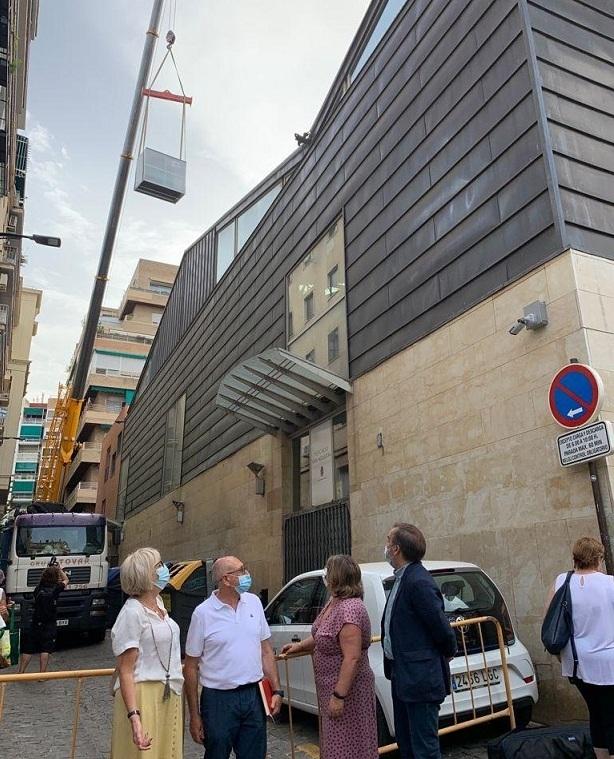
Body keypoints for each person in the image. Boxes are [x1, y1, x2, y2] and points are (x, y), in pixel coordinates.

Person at [184, 556, 283, 759]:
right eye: (241, 571)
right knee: (217, 754)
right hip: (218, 700)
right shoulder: (202, 614)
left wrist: (277, 689)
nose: (247, 575)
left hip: (253, 696)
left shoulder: (254, 603)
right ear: (226, 580)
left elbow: (265, 650)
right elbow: (191, 666)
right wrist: (194, 715)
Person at [282, 554, 378, 759]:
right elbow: (322, 634)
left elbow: (351, 658)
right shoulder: (334, 602)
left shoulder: (350, 609)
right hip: (329, 691)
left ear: (336, 577)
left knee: (348, 747)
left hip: (347, 693)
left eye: (328, 570)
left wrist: (338, 696)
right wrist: (299, 646)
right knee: (335, 745)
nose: (325, 574)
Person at [382, 523, 457, 759]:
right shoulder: (402, 578)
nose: (384, 547)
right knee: (406, 743)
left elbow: (441, 628)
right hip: (403, 675)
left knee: (424, 748)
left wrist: (446, 651)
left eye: (387, 541)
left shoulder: (418, 581)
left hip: (420, 679)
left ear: (396, 549)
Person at [110, 547, 183, 758]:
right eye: (158, 566)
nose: (164, 569)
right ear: (145, 574)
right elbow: (126, 670)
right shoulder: (132, 612)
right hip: (143, 694)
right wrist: (134, 715)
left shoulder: (159, 604)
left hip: (169, 691)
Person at [546, 537, 614, 759]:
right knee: (611, 716)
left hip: (576, 664)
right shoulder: (609, 584)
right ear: (599, 559)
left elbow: (549, 620)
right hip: (608, 665)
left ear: (575, 558)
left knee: (596, 713)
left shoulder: (561, 581)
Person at [18, 564, 69, 673]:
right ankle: (42, 674)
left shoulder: (38, 589)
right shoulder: (56, 589)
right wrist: (59, 570)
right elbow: (66, 579)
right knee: (45, 649)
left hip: (36, 621)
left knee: (28, 648)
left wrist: (49, 570)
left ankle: (21, 672)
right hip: (49, 622)